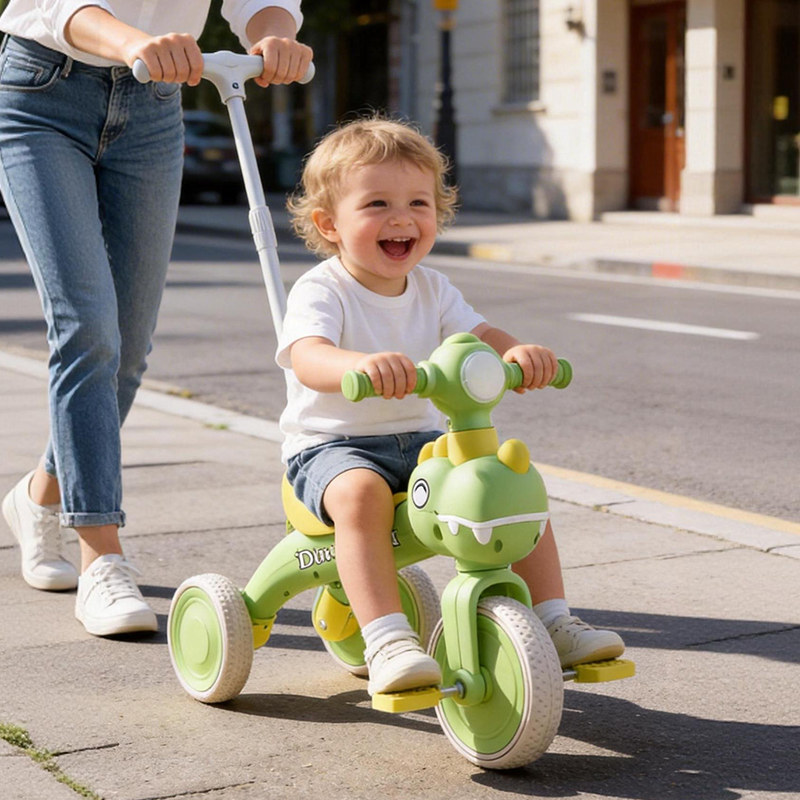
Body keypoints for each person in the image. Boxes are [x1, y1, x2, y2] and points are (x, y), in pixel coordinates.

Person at [279, 116, 625, 696]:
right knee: (361, 495)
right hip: (330, 448)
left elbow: (480, 334)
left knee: (506, 484)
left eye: (419, 201)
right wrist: (356, 366)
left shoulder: (434, 288)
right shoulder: (323, 289)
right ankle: (388, 640)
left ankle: (553, 619)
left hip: (420, 445)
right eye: (377, 204)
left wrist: (519, 353)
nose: (401, 217)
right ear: (328, 225)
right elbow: (307, 355)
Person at [0, 1, 312, 637]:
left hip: (155, 105)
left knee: (129, 347)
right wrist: (132, 41)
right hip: (41, 94)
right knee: (88, 328)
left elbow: (261, 3)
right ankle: (101, 558)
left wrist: (276, 37)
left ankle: (39, 494)